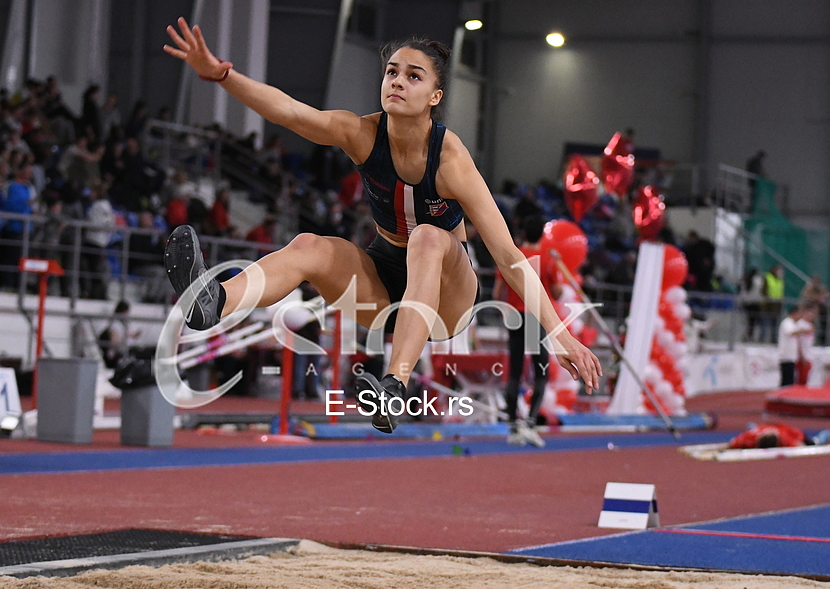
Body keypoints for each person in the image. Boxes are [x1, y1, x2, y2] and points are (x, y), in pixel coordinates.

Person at [161, 19, 601, 433]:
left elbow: (508, 254)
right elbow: (290, 114)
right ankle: (214, 301)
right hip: (385, 283)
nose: (397, 81)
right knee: (309, 244)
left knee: (429, 236)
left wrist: (559, 335)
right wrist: (222, 76)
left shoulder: (450, 159)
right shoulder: (360, 134)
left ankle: (394, 386)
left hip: (448, 296)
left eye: (414, 76)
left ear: (435, 95)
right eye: (392, 72)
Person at [492, 215, 562, 447]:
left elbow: (496, 293)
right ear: (542, 234)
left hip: (514, 317)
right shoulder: (548, 261)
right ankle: (531, 424)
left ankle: (513, 426)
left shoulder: (512, 257)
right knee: (539, 371)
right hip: (534, 317)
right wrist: (558, 264)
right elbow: (559, 292)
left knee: (514, 372)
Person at [778, 304, 815, 387]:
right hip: (786, 356)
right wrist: (803, 330)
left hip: (791, 356)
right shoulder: (787, 323)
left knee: (789, 379)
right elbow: (791, 332)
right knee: (788, 380)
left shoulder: (793, 323)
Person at [799, 274, 830, 346]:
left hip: (818, 311)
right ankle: (810, 342)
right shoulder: (808, 289)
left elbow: (824, 296)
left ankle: (821, 342)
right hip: (809, 311)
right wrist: (817, 298)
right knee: (809, 326)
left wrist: (819, 298)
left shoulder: (821, 289)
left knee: (820, 326)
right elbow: (808, 296)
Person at [762, 263, 784, 343]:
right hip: (768, 304)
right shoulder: (767, 277)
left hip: (777, 305)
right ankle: (762, 338)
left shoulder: (780, 280)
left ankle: (774, 338)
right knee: (764, 323)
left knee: (775, 323)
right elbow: (763, 290)